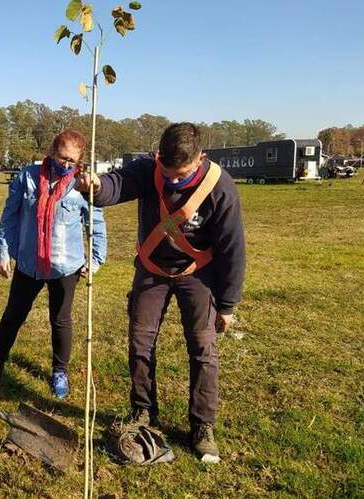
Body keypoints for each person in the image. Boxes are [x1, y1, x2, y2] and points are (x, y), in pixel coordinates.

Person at [76, 122, 245, 463]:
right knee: (140, 342)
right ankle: (142, 412)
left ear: (201, 159)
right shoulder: (149, 169)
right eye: (166, 172)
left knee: (203, 349)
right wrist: (95, 186)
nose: (171, 180)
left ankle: (202, 426)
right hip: (151, 271)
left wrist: (226, 304)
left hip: (198, 274)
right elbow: (117, 185)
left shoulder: (220, 187)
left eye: (180, 174)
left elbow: (232, 249)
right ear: (158, 157)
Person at [0, 130, 107, 398]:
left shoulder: (82, 185)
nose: (65, 165)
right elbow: (10, 215)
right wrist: (3, 251)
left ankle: (59, 372)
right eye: (62, 157)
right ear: (52, 151)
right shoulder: (27, 177)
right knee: (13, 315)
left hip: (65, 267)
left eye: (72, 161)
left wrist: (96, 261)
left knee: (60, 320)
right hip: (28, 264)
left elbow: (96, 225)